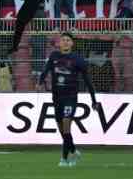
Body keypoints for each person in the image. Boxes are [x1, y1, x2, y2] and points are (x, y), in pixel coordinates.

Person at [37, 31, 100, 168]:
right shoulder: (54, 56)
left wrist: (93, 100)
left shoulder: (77, 59)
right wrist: (40, 82)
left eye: (68, 40)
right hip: (57, 97)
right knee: (62, 129)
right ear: (59, 43)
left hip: (70, 97)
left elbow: (88, 81)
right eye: (63, 40)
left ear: (72, 43)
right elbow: (46, 70)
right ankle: (73, 150)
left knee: (66, 125)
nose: (65, 42)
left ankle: (64, 159)